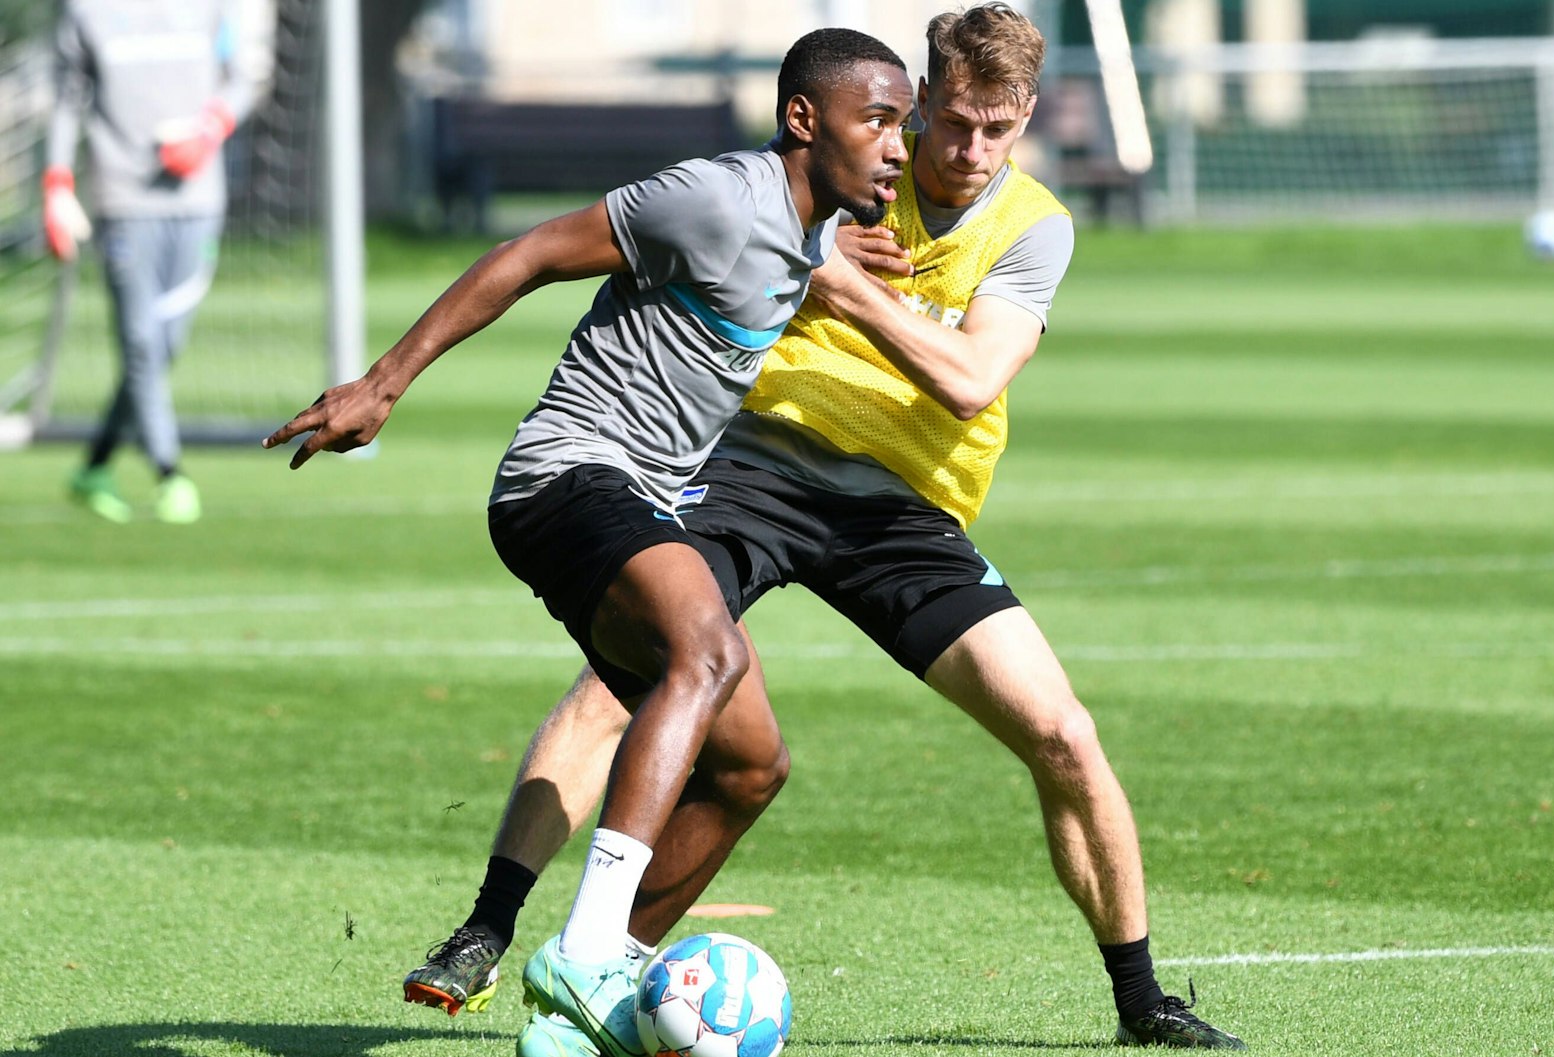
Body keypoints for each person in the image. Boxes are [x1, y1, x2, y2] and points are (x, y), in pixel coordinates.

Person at [403, 7, 1244, 1054]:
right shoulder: (848, 164)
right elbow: (722, 225)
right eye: (950, 124)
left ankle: (1142, 1000)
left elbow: (970, 381)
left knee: (1062, 732)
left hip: (905, 508)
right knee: (628, 681)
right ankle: (488, 934)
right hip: (753, 466)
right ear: (923, 102)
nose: (965, 151)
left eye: (995, 129)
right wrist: (815, 247)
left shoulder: (1032, 226)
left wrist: (835, 280)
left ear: (1025, 119)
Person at [263, 27, 915, 1057]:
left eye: (902, 126)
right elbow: (527, 254)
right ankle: (590, 945)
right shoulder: (712, 198)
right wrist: (383, 381)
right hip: (564, 474)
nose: (896, 146)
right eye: (877, 120)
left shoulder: (806, 233)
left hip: (635, 500)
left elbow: (804, 261)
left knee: (751, 766)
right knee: (707, 649)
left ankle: (574, 1015)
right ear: (803, 121)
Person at [46, 0, 274, 524]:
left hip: (198, 204)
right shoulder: (86, 11)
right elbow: (66, 99)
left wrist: (210, 129)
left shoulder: (212, 8)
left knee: (163, 346)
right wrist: (56, 184)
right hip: (123, 202)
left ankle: (95, 465)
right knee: (141, 343)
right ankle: (171, 473)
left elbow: (241, 80)